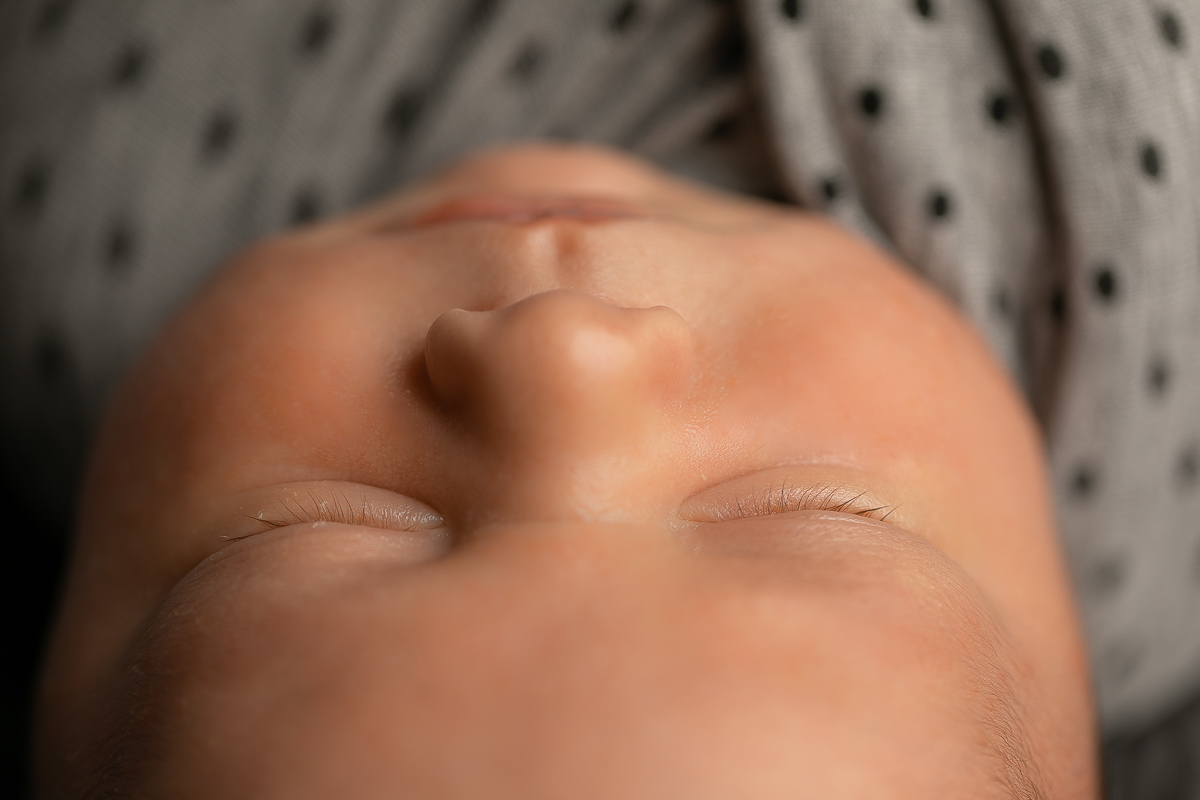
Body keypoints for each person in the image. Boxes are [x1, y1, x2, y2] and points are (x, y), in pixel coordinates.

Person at [35, 143, 1098, 798]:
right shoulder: (1115, 276)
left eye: (306, 526)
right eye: (811, 512)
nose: (562, 346)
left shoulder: (72, 216)